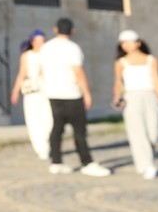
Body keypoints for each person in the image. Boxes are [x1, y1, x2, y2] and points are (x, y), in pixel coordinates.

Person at [40, 17, 110, 176]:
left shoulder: (46, 48)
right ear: (72, 31)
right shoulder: (73, 48)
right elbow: (78, 71)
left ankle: (56, 161)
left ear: (55, 29)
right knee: (79, 130)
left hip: (53, 93)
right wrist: (86, 92)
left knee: (57, 128)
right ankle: (86, 162)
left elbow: (42, 70)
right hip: (71, 93)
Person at [111, 29, 158, 180]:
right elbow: (118, 81)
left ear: (138, 43)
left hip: (150, 95)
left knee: (153, 132)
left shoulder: (151, 60)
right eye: (123, 43)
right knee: (137, 132)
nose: (126, 46)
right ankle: (147, 165)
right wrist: (117, 97)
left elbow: (156, 77)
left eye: (129, 42)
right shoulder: (121, 62)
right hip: (131, 97)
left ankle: (146, 161)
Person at [9, 29, 52, 160]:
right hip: (32, 90)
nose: (40, 43)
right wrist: (15, 91)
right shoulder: (27, 55)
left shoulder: (48, 54)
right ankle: (40, 147)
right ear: (32, 42)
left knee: (49, 118)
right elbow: (22, 73)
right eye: (38, 41)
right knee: (34, 119)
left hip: (47, 88)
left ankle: (46, 142)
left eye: (42, 41)